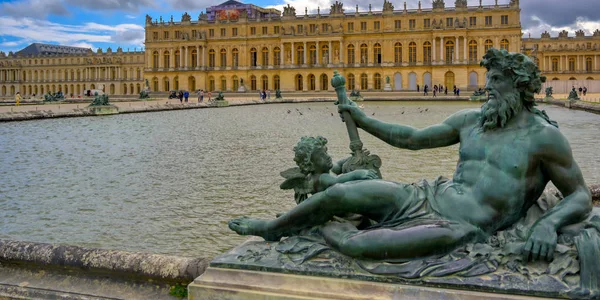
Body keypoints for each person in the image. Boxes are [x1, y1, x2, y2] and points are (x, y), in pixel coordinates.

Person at [230, 48, 592, 262]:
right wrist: (363, 118)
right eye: (489, 79)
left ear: (519, 85)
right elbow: (412, 138)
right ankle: (272, 229)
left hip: (462, 227)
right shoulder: (472, 121)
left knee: (358, 246)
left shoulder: (544, 138)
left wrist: (547, 223)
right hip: (428, 196)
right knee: (340, 193)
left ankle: (323, 230)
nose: (487, 87)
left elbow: (579, 195)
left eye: (496, 79)